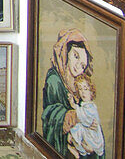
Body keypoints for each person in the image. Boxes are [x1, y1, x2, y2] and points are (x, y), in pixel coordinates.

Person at [42, 28, 101, 159]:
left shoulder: (79, 84)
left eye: (82, 64)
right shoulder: (54, 79)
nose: (78, 66)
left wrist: (93, 124)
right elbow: (50, 113)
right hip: (63, 141)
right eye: (75, 56)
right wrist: (74, 116)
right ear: (65, 52)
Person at [67, 74, 105, 157]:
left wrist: (74, 106)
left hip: (92, 134)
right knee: (78, 128)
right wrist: (73, 105)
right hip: (87, 132)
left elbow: (86, 120)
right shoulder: (84, 105)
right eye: (80, 89)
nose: (83, 92)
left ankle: (81, 146)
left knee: (78, 128)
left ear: (91, 92)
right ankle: (79, 148)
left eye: (85, 89)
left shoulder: (91, 106)